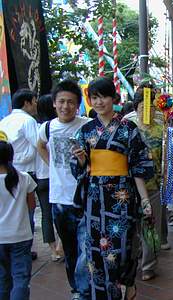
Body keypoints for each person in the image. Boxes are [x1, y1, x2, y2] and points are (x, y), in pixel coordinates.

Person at [71, 77, 154, 299]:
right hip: (94, 199)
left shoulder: (128, 129)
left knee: (122, 248)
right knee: (95, 251)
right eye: (94, 98)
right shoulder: (85, 131)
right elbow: (80, 170)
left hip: (121, 197)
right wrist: (80, 160)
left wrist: (145, 200)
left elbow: (138, 167)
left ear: (113, 98)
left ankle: (126, 285)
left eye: (104, 97)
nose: (99, 102)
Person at [37, 79, 89, 300]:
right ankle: (76, 288)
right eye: (61, 101)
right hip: (59, 199)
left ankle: (85, 290)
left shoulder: (86, 124)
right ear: (54, 103)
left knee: (86, 249)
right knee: (70, 250)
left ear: (78, 105)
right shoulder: (47, 127)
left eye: (70, 102)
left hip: (85, 197)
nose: (65, 106)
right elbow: (39, 145)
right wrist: (53, 167)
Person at [124, 86, 169, 282]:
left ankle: (149, 265)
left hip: (154, 186)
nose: (147, 111)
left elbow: (168, 158)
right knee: (132, 227)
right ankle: (134, 259)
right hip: (129, 187)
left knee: (152, 227)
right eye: (143, 106)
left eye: (150, 106)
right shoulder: (127, 126)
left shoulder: (163, 128)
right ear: (136, 107)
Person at [0, 88, 39, 261]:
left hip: (6, 171)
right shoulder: (28, 120)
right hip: (26, 173)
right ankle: (24, 248)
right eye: (34, 100)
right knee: (26, 212)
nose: (36, 104)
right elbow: (38, 144)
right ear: (27, 103)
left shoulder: (4, 121)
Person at [0, 138, 37, 300]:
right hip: (21, 236)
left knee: (2, 279)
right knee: (21, 278)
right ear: (11, 157)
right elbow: (31, 205)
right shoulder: (24, 178)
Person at [36, 94, 62, 262]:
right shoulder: (52, 127)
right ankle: (61, 245)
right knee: (60, 212)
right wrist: (52, 165)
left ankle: (54, 251)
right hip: (55, 178)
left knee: (46, 213)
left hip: (40, 176)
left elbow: (37, 148)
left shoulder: (40, 126)